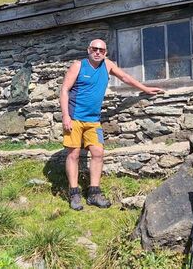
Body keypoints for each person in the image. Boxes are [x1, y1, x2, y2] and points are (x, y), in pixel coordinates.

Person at [59, 39, 163, 210]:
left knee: (98, 153)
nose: (98, 52)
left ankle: (94, 193)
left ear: (105, 52)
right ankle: (74, 193)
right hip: (75, 118)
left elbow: (124, 77)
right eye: (95, 49)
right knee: (74, 154)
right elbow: (64, 89)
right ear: (89, 50)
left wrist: (145, 89)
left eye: (101, 50)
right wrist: (65, 116)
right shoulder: (78, 66)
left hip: (93, 120)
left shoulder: (107, 65)